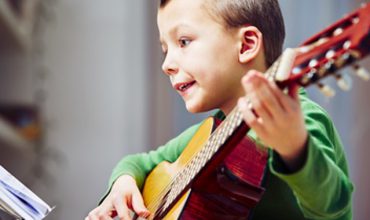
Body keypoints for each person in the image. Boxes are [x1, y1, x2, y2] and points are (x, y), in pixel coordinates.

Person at [86, 0, 354, 219]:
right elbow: (139, 162)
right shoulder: (208, 134)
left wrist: (296, 148)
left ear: (246, 44)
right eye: (164, 50)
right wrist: (121, 184)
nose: (166, 64)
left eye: (184, 41)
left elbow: (333, 208)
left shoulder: (298, 119)